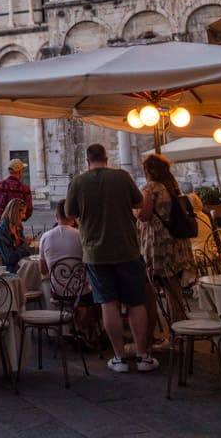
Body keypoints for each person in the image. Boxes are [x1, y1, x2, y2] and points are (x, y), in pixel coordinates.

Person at [65, 143, 159, 374]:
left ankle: (119, 358)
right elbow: (138, 203)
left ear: (87, 160)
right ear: (106, 158)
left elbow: (69, 213)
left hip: (96, 253)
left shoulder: (79, 182)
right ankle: (142, 355)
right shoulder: (122, 176)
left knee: (108, 303)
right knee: (136, 302)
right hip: (127, 248)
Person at [136, 154, 196, 338]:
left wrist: (134, 210)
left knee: (166, 289)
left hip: (160, 244)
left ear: (148, 170)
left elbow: (144, 215)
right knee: (173, 289)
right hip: (176, 242)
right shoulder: (171, 186)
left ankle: (174, 335)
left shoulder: (151, 188)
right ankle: (178, 332)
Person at [39, 199, 82, 276]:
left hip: (56, 287)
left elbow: (43, 270)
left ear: (56, 216)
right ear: (73, 217)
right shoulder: (81, 236)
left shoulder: (45, 237)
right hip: (79, 286)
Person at [0, 158, 33, 227]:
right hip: (16, 226)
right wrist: (18, 217)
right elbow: (29, 210)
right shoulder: (24, 189)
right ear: (20, 171)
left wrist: (2, 214)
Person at [0, 198, 33, 270]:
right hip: (8, 270)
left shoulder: (18, 228)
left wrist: (27, 243)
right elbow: (9, 259)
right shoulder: (2, 232)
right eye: (23, 213)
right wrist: (25, 245)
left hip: (21, 265)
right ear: (15, 213)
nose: (24, 217)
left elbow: (21, 250)